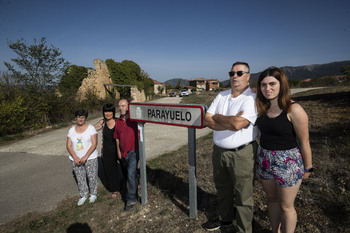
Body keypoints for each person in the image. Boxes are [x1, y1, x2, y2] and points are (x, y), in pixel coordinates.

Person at [255, 67, 313, 233]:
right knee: (272, 200)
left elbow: (304, 141)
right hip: (264, 159)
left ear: (282, 85)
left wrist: (308, 167)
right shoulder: (261, 106)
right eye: (263, 85)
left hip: (288, 163)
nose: (268, 88)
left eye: (272, 83)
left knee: (286, 207)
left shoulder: (294, 110)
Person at [203, 62, 258, 232]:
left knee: (243, 196)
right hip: (219, 152)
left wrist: (218, 116)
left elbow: (238, 124)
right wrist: (229, 119)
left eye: (239, 73)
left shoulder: (252, 98)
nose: (235, 76)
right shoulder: (222, 95)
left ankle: (244, 230)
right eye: (232, 73)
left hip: (241, 154)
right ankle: (225, 221)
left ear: (248, 76)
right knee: (223, 190)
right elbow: (206, 120)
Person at [67, 110, 99, 206]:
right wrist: (75, 157)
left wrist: (86, 156)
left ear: (85, 118)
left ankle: (93, 194)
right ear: (75, 118)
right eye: (78, 117)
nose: (80, 119)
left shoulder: (91, 128)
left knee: (92, 176)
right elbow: (68, 145)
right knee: (80, 178)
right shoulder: (71, 130)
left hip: (90, 158)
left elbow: (94, 144)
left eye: (82, 117)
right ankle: (84, 195)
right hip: (76, 159)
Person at [113, 99, 139, 211]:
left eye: (123, 106)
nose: (120, 108)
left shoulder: (135, 119)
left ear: (128, 107)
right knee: (131, 175)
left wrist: (137, 105)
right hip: (123, 153)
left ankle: (130, 200)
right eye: (119, 106)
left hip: (134, 151)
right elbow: (117, 138)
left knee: (130, 175)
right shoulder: (118, 121)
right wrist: (118, 151)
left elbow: (145, 119)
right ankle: (135, 191)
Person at [94, 103, 123, 198]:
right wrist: (77, 127)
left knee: (126, 166)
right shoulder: (102, 122)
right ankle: (114, 189)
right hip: (107, 150)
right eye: (106, 111)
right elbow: (91, 129)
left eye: (110, 111)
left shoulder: (118, 121)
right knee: (110, 170)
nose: (108, 113)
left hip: (119, 148)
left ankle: (133, 183)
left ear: (113, 112)